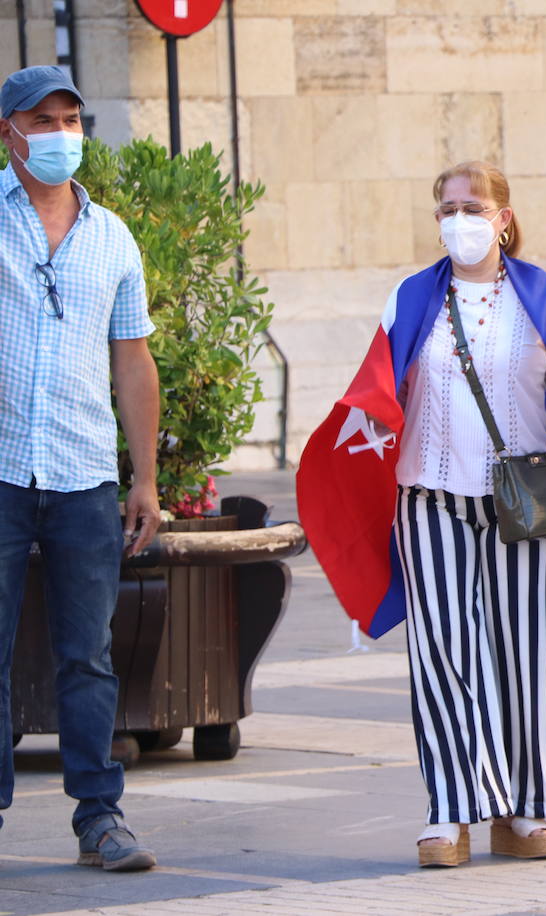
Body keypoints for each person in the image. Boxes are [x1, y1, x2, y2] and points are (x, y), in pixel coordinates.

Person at [297, 160, 546, 868]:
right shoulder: (410, 297)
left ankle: (529, 809)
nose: (459, 219)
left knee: (528, 656)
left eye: (473, 205)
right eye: (446, 208)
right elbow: (376, 391)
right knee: (442, 656)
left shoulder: (541, 295)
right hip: (429, 496)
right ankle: (451, 811)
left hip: (523, 496)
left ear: (503, 218)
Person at [0, 66, 160, 871]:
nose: (63, 133)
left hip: (84, 476)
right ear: (8, 133)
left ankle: (100, 818)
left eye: (72, 117)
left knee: (87, 654)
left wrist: (144, 479)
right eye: (43, 119)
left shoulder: (112, 235)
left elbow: (131, 361)